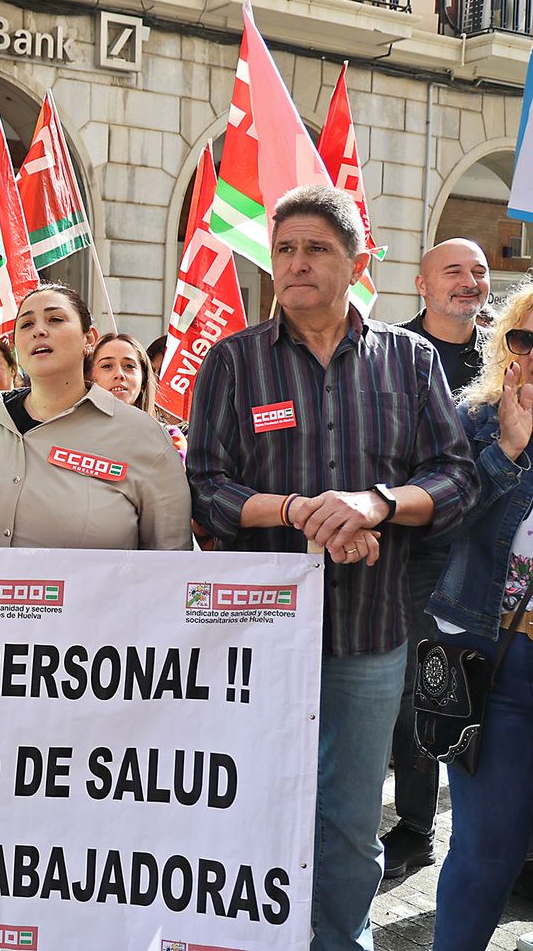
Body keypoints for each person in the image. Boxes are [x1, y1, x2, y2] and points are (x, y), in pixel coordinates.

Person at [186, 185, 474, 951]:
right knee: (252, 805)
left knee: (349, 822)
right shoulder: (234, 362)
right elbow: (207, 488)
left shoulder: (409, 360)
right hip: (257, 639)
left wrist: (375, 504)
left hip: (369, 638)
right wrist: (298, 511)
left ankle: (338, 940)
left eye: (315, 248)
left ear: (357, 262)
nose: (296, 263)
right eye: (284, 249)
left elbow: (454, 476)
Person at [381, 235, 492, 880]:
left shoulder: (509, 353)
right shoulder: (390, 353)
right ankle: (417, 827)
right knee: (416, 691)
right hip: (415, 552)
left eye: (479, 272)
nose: (469, 282)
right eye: (453, 271)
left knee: (491, 693)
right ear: (422, 285)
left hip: (490, 551)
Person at [429, 279, 533, 949]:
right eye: (527, 337)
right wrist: (509, 451)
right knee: (486, 852)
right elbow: (439, 524)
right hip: (500, 666)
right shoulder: (477, 417)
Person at [0, 285, 191, 550]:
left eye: (55, 319)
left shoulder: (146, 437)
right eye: (26, 324)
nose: (39, 330)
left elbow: (171, 564)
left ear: (89, 339)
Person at [90, 332, 186, 456]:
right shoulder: (72, 431)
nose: (119, 374)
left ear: (143, 380)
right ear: (90, 377)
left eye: (129, 366)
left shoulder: (170, 438)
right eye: (107, 366)